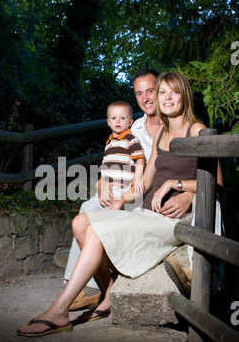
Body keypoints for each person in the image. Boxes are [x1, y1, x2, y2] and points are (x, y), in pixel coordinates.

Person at [17, 70, 217, 337]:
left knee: (97, 231)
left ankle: (59, 311)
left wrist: (178, 187)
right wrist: (117, 197)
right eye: (163, 93)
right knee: (81, 223)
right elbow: (143, 183)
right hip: (148, 211)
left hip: (173, 219)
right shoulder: (161, 134)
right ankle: (109, 293)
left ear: (185, 95)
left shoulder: (199, 131)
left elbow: (218, 182)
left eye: (174, 92)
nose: (167, 98)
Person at [67, 69, 195, 311]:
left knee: (98, 218)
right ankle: (92, 287)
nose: (146, 97)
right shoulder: (133, 127)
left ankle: (101, 289)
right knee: (88, 207)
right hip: (135, 191)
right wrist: (100, 183)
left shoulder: (182, 126)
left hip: (153, 196)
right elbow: (115, 161)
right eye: (139, 93)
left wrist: (187, 192)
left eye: (151, 91)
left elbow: (199, 175)